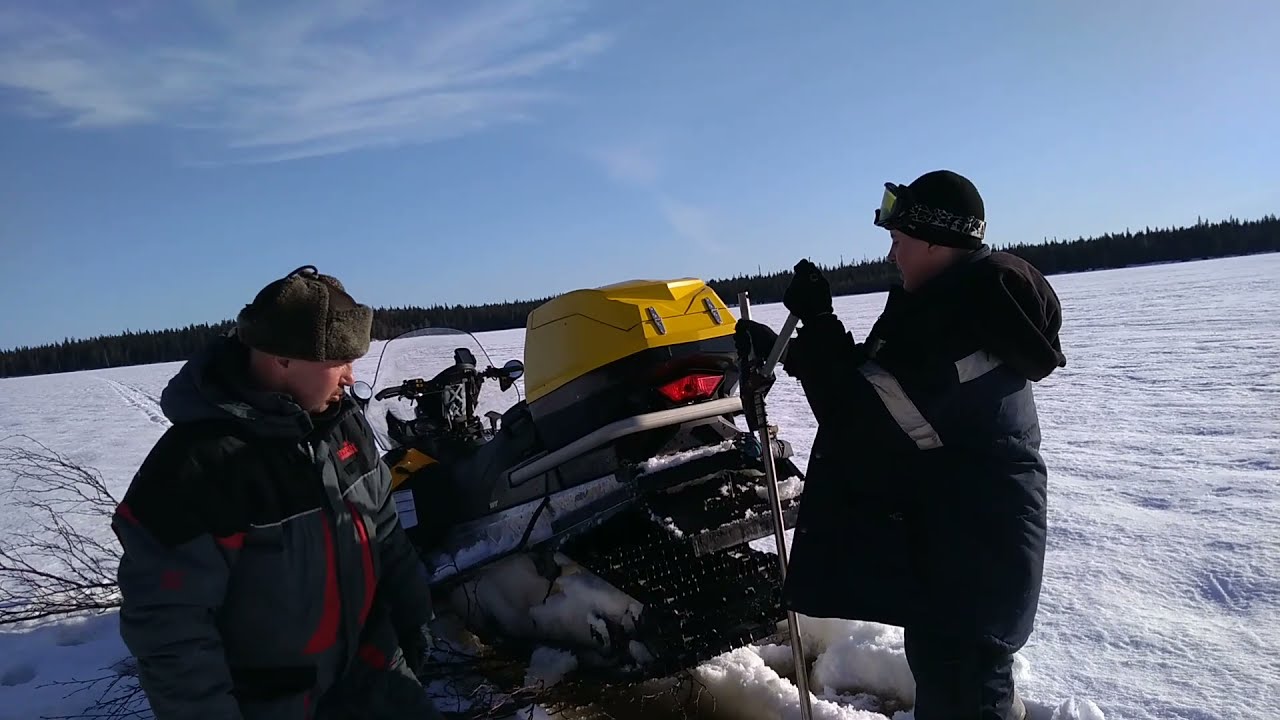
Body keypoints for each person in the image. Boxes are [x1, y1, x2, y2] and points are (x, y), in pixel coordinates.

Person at [737, 171, 1066, 720]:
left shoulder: (960, 321)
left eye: (900, 238)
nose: (892, 252)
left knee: (967, 696)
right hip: (954, 552)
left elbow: (864, 416)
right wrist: (792, 347)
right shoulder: (955, 303)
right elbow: (878, 383)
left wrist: (817, 324)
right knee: (950, 682)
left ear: (937, 240)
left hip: (974, 567)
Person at [111, 266, 442, 720]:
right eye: (338, 361)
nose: (350, 376)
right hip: (274, 704)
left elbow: (385, 531)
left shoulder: (344, 425)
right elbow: (172, 633)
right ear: (281, 359)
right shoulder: (196, 469)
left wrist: (411, 617)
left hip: (372, 671)